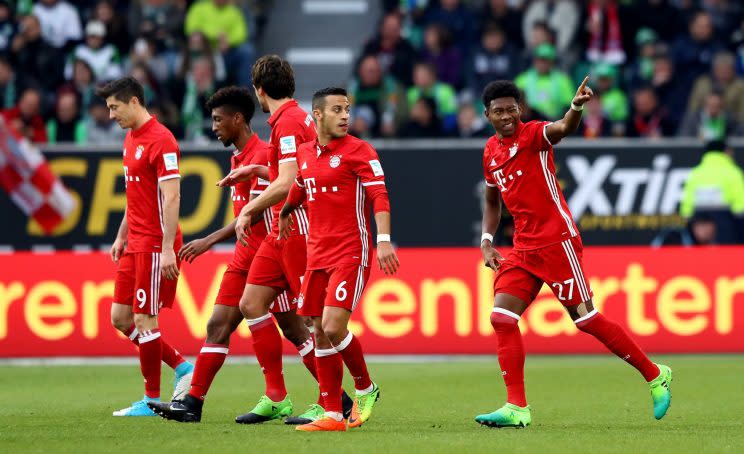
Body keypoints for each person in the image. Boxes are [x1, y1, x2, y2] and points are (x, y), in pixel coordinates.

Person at [475, 79, 672, 428]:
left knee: (585, 319)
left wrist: (576, 107)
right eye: (499, 111)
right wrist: (487, 239)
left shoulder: (535, 135)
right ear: (487, 114)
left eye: (511, 108)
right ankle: (517, 407)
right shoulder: (490, 151)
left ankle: (656, 374)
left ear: (520, 109)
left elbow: (563, 127)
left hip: (557, 242)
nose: (506, 116)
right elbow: (493, 200)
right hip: (523, 248)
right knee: (502, 318)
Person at [148, 86, 348, 423]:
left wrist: (210, 238)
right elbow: (246, 213)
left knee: (301, 330)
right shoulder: (239, 157)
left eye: (217, 120)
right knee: (218, 324)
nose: (213, 127)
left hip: (274, 253)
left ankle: (329, 398)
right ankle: (193, 403)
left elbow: (281, 193)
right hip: (248, 256)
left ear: (237, 119)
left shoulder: (264, 153)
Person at [227, 55, 352, 425]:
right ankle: (276, 396)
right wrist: (256, 169)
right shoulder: (287, 121)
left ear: (259, 90)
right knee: (251, 303)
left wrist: (250, 209)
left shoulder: (291, 122)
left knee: (314, 318)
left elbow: (288, 182)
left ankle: (333, 400)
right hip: (282, 230)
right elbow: (289, 172)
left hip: (301, 229)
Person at [278, 87, 399, 432]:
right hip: (317, 254)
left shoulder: (360, 150)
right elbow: (302, 183)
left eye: (347, 109)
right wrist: (287, 209)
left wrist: (385, 240)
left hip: (351, 251)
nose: (345, 115)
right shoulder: (305, 152)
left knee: (332, 326)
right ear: (318, 115)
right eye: (337, 109)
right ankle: (331, 413)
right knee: (317, 329)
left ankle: (365, 387)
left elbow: (379, 195)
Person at [97, 77, 194, 417]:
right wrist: (122, 235)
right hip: (135, 240)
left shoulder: (162, 140)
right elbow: (135, 195)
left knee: (144, 320)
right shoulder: (130, 138)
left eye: (115, 107)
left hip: (155, 243)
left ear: (134, 101)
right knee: (121, 319)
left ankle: (152, 401)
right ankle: (183, 368)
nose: (111, 115)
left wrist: (168, 247)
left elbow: (172, 196)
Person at [679, 140, 744, 244]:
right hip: (725, 221)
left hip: (699, 220)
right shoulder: (733, 172)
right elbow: (740, 205)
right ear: (725, 152)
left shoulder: (696, 172)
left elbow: (687, 206)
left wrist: (689, 218)